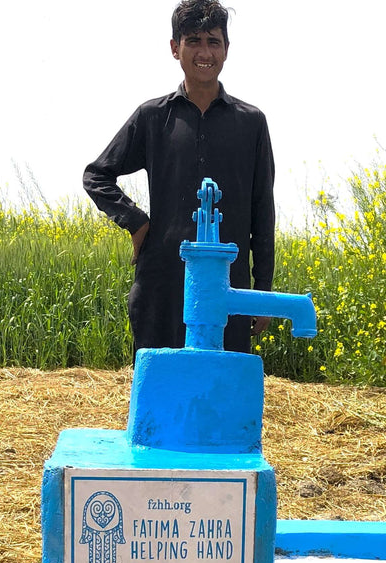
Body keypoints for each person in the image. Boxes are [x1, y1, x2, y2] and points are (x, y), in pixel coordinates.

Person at [83, 0, 275, 355]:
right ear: (175, 48)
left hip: (226, 285)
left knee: (220, 394)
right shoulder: (153, 117)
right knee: (160, 392)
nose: (205, 52)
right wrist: (137, 223)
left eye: (214, 42)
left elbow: (262, 208)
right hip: (162, 283)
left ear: (227, 50)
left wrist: (262, 287)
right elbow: (97, 175)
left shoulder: (251, 123)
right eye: (194, 41)